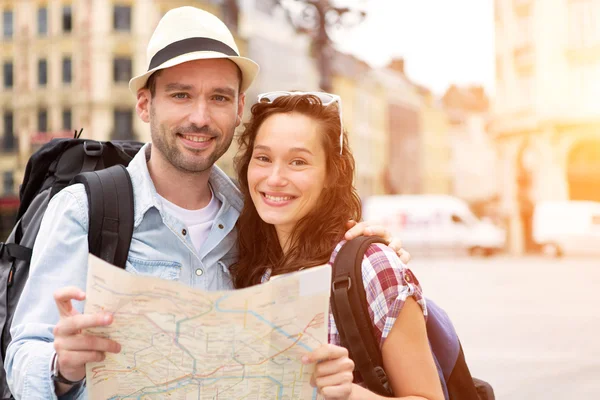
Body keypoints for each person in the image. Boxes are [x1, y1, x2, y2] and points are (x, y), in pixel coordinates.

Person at [5, 7, 408, 400]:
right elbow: (23, 356)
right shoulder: (84, 210)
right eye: (181, 95)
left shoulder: (258, 218)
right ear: (145, 104)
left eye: (218, 97)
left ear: (237, 108)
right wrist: (62, 368)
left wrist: (363, 247)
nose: (200, 117)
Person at [231, 92, 445, 400]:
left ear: (332, 173)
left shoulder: (372, 266)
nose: (275, 178)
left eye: (298, 162)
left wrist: (349, 394)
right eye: (263, 158)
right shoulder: (249, 266)